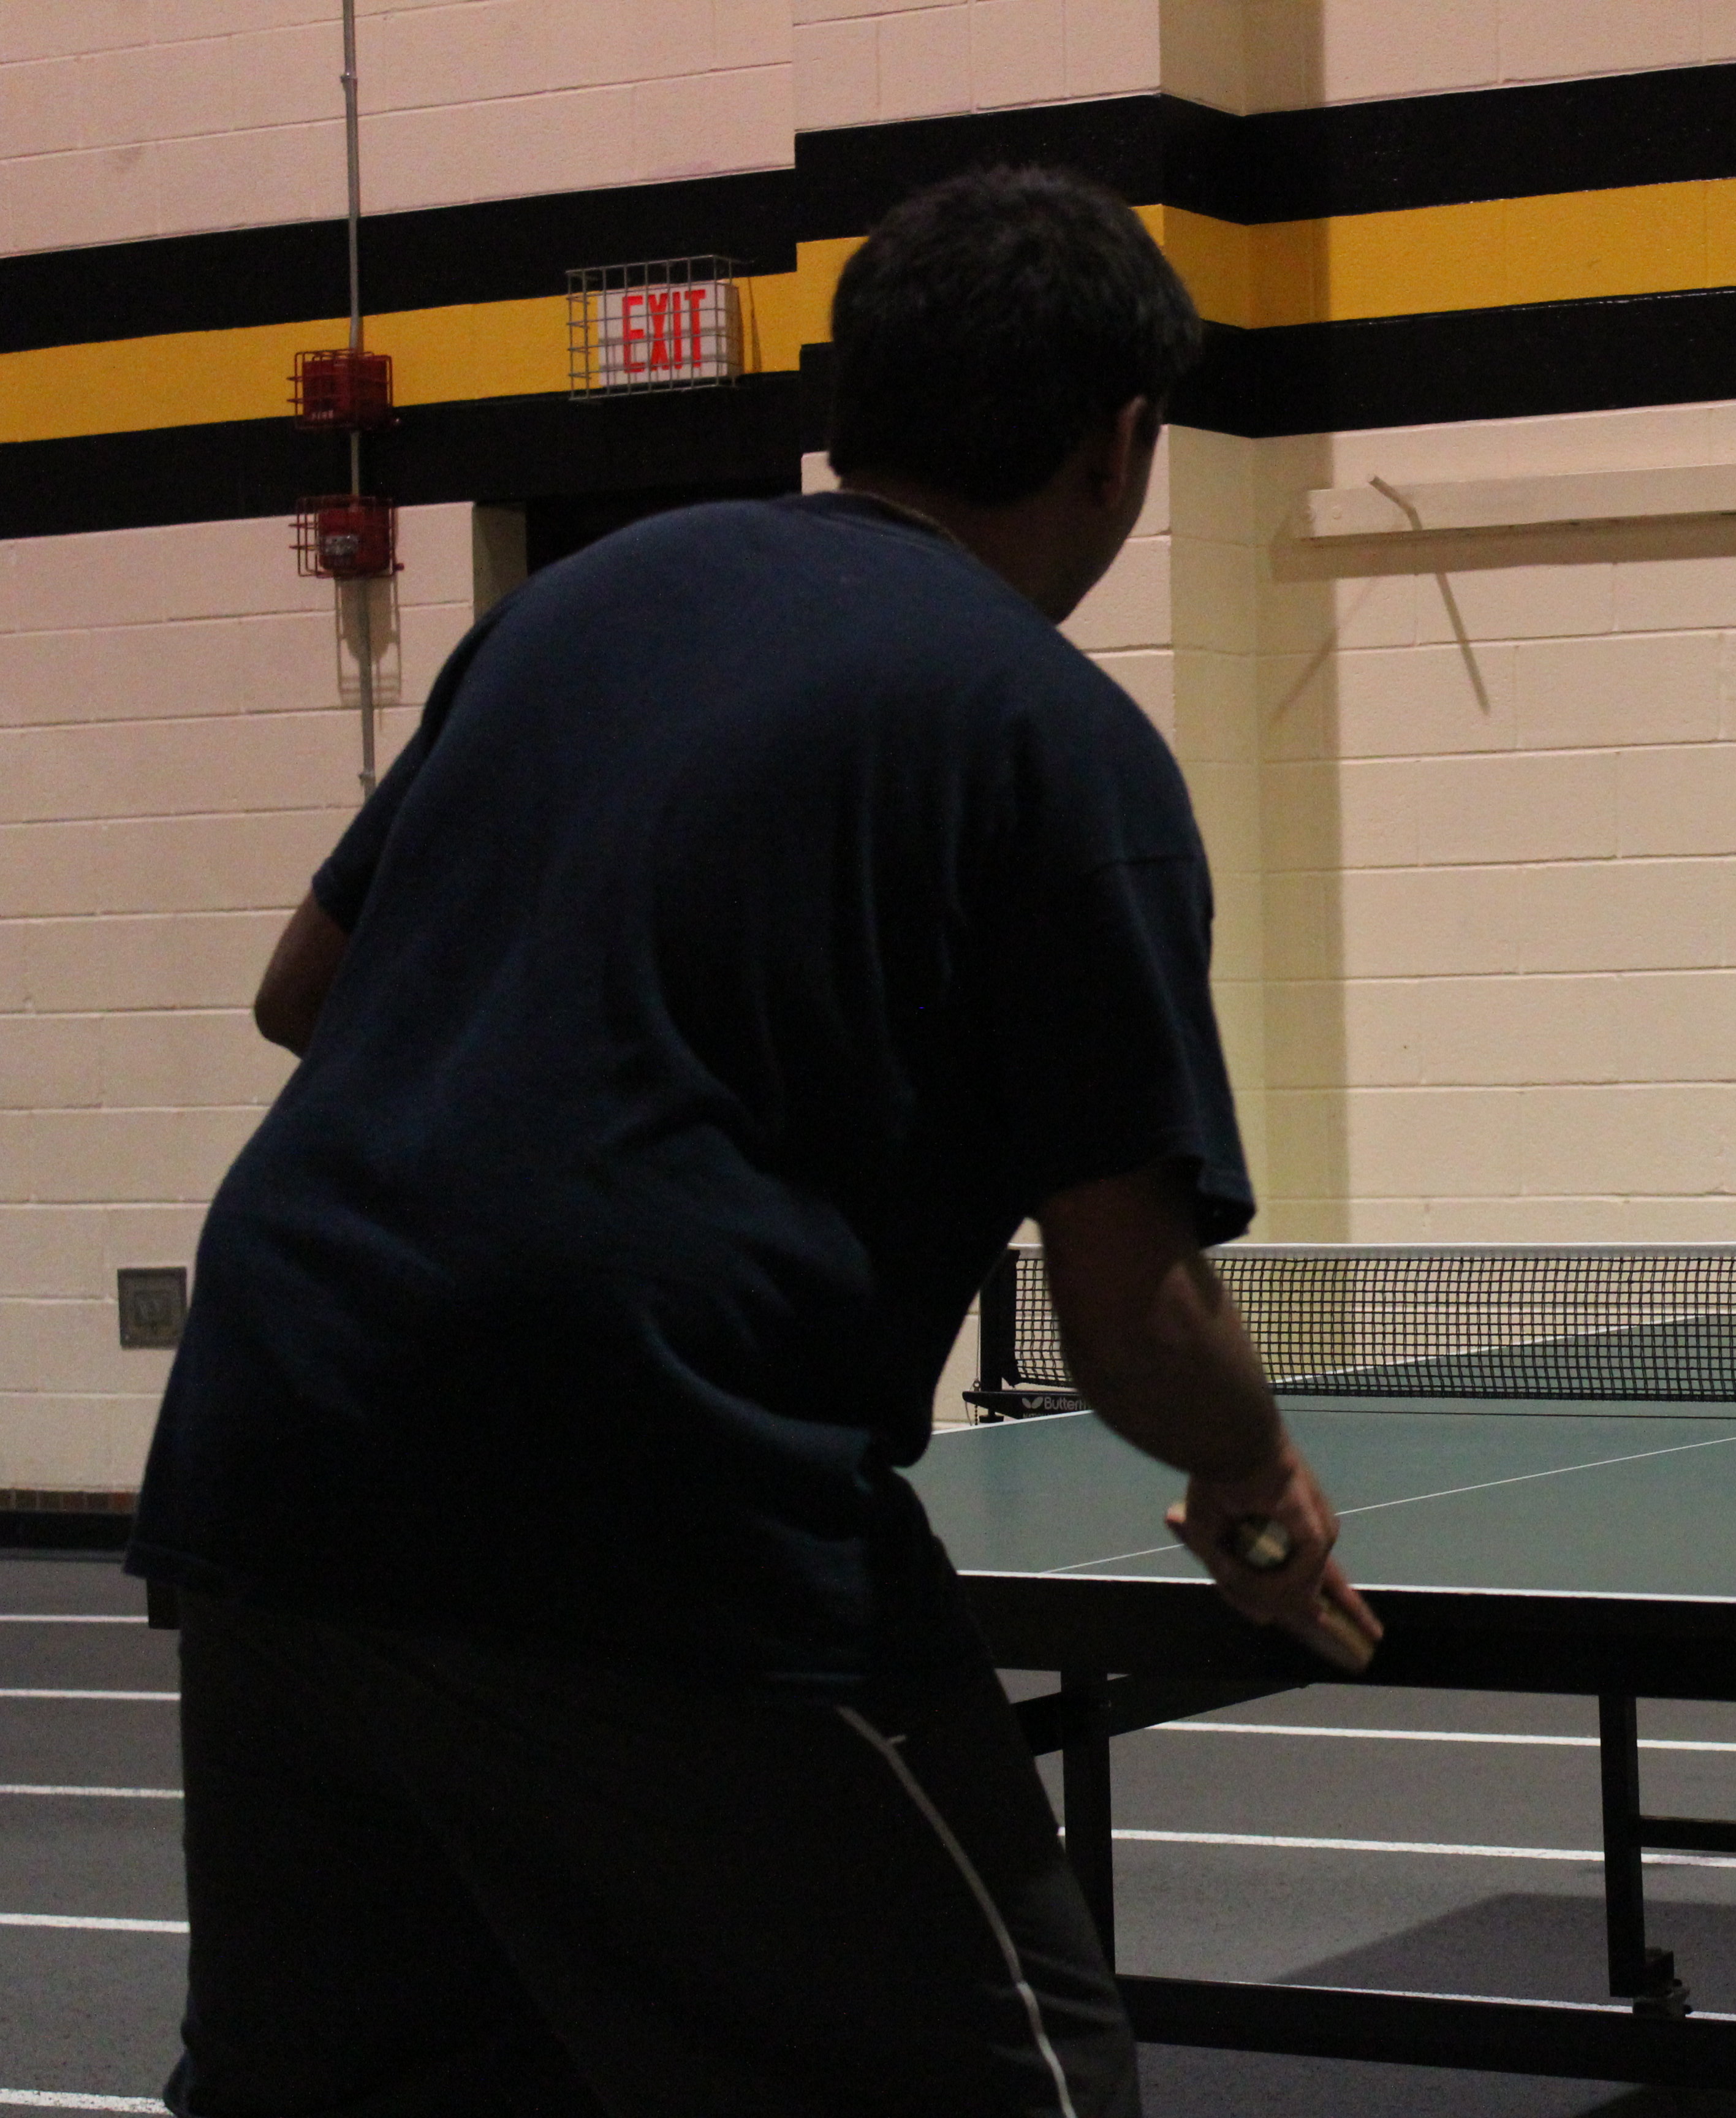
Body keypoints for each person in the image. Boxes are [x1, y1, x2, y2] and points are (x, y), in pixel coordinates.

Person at [126, 165, 1376, 2118]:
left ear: (846, 394)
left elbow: (306, 993)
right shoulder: (1057, 741)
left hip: (276, 1438)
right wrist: (1255, 1476)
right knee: (1013, 2086)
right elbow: (1130, 1315)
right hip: (643, 1485)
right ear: (1126, 445)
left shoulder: (578, 610)